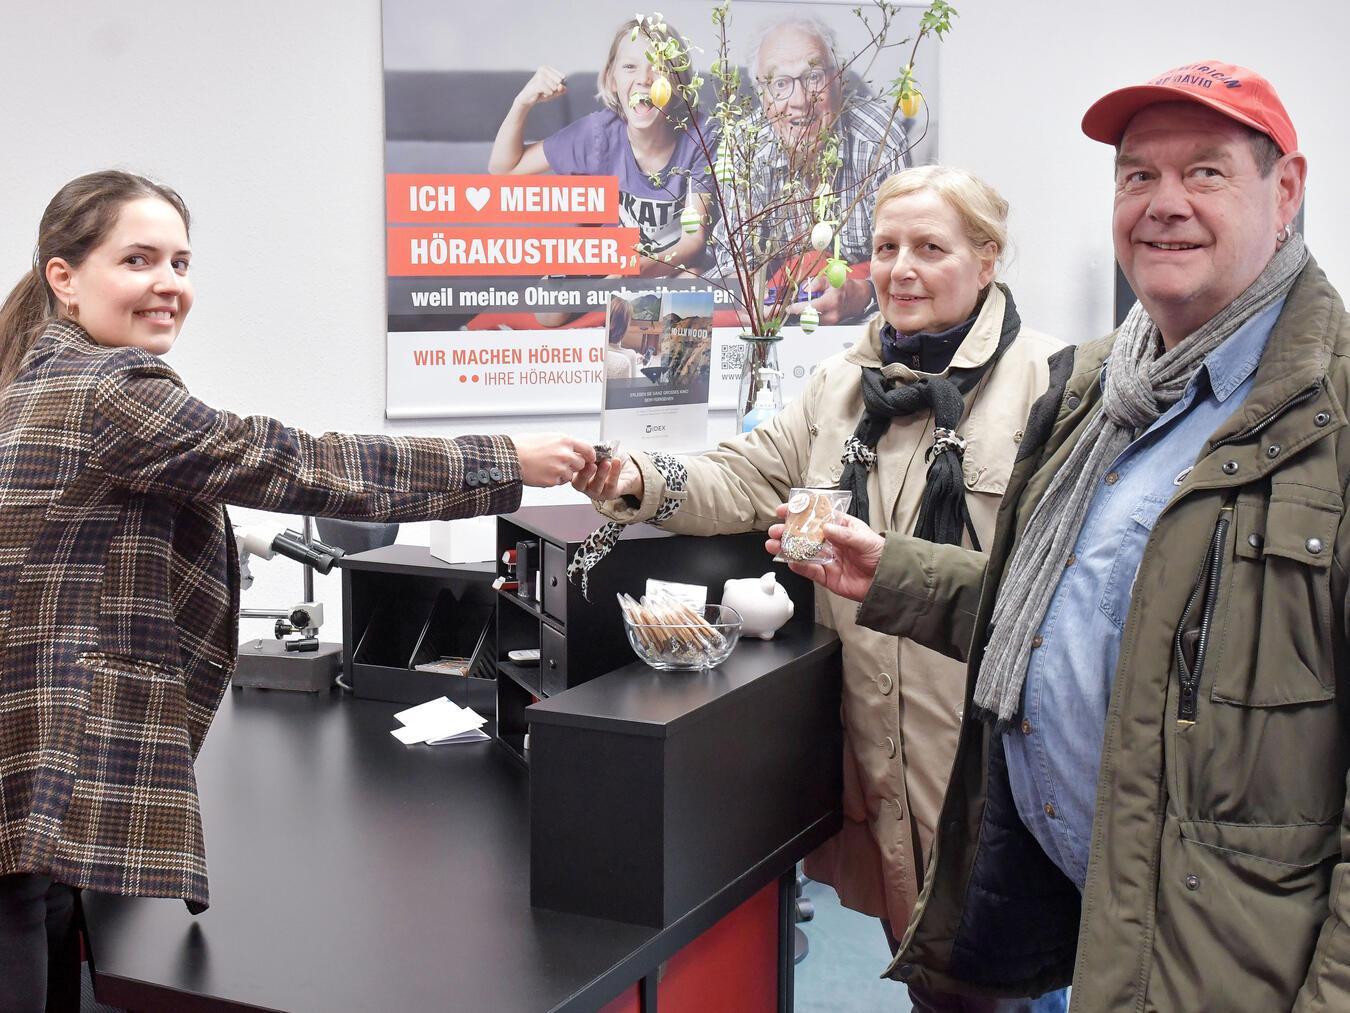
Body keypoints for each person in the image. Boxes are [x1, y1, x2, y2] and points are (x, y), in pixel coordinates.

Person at [778, 61, 1348, 1011]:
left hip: (1232, 963)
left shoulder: (1330, 418)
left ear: (1285, 190)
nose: (1164, 204)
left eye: (1205, 172)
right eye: (1138, 175)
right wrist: (897, 573)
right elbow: (1061, 617)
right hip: (1073, 910)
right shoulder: (1098, 390)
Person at [0, 170, 597, 1011]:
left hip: (26, 751)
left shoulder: (35, 377)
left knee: (45, 908)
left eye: (180, 262)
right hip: (36, 751)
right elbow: (297, 462)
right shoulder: (111, 391)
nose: (169, 284)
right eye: (138, 260)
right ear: (64, 277)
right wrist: (505, 460)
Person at [576, 165, 1066, 1013]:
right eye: (886, 247)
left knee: (1015, 991)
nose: (900, 268)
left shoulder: (1049, 385)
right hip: (883, 767)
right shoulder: (841, 385)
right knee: (934, 986)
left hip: (993, 783)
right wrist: (637, 477)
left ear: (987, 259)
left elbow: (1063, 590)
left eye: (930, 247)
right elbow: (744, 476)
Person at [709, 16, 912, 326]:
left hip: (868, 311)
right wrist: (753, 304)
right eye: (780, 84)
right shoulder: (743, 147)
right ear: (762, 95)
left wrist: (863, 293)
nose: (800, 101)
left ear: (839, 79)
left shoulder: (879, 140)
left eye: (814, 77)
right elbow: (733, 263)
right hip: (775, 314)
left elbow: (904, 257)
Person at [489, 19, 711, 278]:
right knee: (547, 297)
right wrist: (522, 102)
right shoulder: (597, 134)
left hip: (673, 269)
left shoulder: (700, 137)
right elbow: (504, 169)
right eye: (630, 67)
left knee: (693, 277)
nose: (644, 79)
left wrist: (634, 269)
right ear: (611, 79)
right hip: (613, 268)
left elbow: (693, 241)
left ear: (678, 82)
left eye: (660, 67)